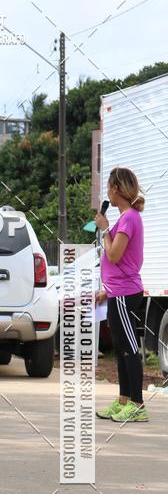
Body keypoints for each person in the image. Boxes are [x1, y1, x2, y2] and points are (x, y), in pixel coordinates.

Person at [95, 166, 148, 423]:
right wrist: (107, 290)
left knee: (129, 348)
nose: (107, 192)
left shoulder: (129, 218)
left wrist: (105, 230)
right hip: (117, 292)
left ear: (116, 189)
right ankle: (124, 400)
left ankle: (138, 404)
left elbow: (114, 255)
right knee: (120, 348)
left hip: (127, 293)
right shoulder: (125, 218)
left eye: (108, 187)